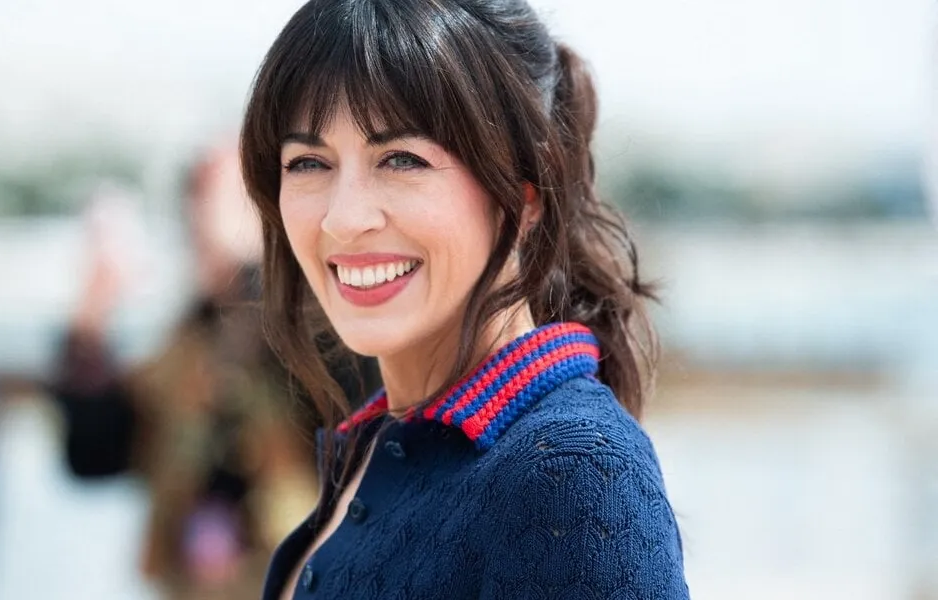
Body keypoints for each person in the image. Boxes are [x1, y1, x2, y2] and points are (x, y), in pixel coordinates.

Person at [237, 0, 690, 598]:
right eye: (309, 162)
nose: (343, 219)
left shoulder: (572, 474)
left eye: (402, 159)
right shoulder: (378, 447)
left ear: (526, 196)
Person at [50, 150, 380, 599]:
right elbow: (94, 456)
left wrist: (251, 265)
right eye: (197, 201)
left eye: (229, 199)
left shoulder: (312, 320)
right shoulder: (182, 343)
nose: (203, 217)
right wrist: (89, 323)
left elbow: (354, 403)